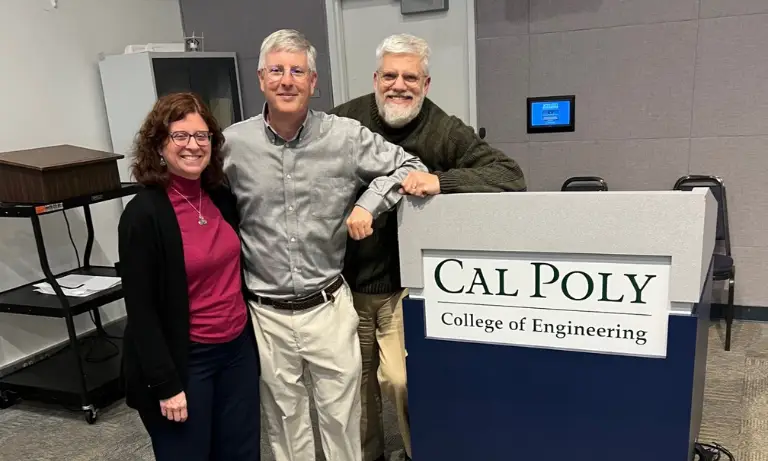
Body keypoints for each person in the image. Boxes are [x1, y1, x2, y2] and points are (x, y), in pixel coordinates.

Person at [220, 29, 427, 461]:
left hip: (328, 305)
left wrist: (369, 204)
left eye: (298, 71)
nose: (287, 80)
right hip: (265, 312)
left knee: (342, 422)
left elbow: (409, 165)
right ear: (261, 78)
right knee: (284, 426)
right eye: (276, 70)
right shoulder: (231, 145)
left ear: (314, 83)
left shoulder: (345, 137)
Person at [328, 33, 527, 461]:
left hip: (405, 286)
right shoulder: (343, 122)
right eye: (390, 75)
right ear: (376, 78)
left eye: (410, 77)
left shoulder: (443, 128)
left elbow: (510, 175)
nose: (399, 85)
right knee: (356, 385)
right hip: (346, 284)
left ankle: (421, 452)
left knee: (401, 381)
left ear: (426, 83)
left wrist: (443, 181)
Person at [117, 92, 261, 461]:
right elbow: (142, 310)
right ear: (159, 145)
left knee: (240, 453)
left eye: (202, 136)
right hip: (185, 360)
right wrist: (166, 385)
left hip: (236, 353)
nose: (193, 146)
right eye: (180, 136)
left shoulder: (220, 198)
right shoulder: (143, 215)